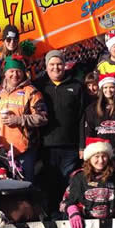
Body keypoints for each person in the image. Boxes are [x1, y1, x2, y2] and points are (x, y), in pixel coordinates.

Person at [34, 50, 85, 211]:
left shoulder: (77, 86)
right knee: (48, 182)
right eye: (52, 64)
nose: (56, 68)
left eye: (59, 64)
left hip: (70, 145)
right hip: (46, 145)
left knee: (67, 182)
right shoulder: (39, 86)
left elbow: (82, 118)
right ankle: (50, 214)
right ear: (46, 66)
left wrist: (82, 145)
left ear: (64, 65)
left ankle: (67, 212)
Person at [0, 54, 48, 182]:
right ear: (5, 73)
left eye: (18, 71)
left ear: (24, 73)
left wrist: (18, 120)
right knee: (4, 185)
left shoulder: (32, 92)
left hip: (25, 150)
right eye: (11, 71)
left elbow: (42, 117)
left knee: (25, 185)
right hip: (2, 149)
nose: (15, 75)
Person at [0, 25, 35, 90]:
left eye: (15, 40)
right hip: (3, 93)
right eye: (8, 39)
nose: (12, 42)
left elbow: (31, 79)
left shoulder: (23, 58)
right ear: (4, 40)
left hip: (21, 93)